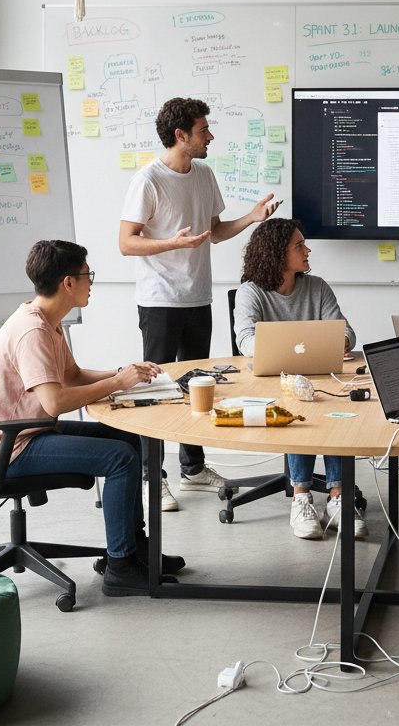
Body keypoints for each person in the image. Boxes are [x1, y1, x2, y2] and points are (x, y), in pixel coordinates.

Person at [0, 239, 186, 597]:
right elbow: (54, 402)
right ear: (68, 282)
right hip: (7, 447)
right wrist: (116, 383)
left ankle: (135, 546)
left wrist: (123, 374)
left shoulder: (47, 322)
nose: (91, 283)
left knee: (127, 438)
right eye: (88, 275)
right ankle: (120, 565)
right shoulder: (33, 331)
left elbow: (72, 375)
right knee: (120, 459)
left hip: (24, 433)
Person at [120, 96, 280, 512]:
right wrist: (173, 242)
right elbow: (126, 242)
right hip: (158, 301)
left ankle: (192, 468)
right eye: (203, 130)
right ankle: (150, 477)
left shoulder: (205, 174)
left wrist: (252, 217)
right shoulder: (148, 180)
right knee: (152, 391)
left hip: (197, 297)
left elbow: (215, 231)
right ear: (180, 135)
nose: (210, 136)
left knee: (197, 387)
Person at [233, 217, 366, 540]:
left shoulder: (317, 286)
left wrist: (341, 341)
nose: (307, 250)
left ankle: (338, 499)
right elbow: (245, 340)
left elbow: (346, 330)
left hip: (323, 376)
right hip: (273, 382)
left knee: (336, 412)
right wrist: (280, 352)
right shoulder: (250, 292)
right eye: (299, 245)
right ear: (278, 252)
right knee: (298, 413)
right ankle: (302, 497)